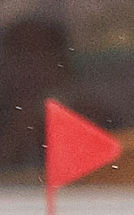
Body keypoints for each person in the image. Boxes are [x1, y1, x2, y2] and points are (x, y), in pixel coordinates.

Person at [0, 17, 116, 182]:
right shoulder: (5, 117)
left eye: (41, 55)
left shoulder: (92, 112)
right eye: (20, 56)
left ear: (62, 63)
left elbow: (119, 173)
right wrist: (17, 135)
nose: (30, 68)